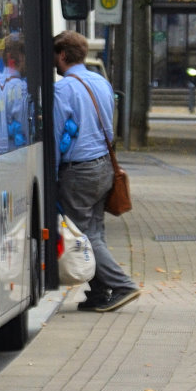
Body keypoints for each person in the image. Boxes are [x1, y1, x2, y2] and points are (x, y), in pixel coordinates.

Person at [52, 30, 140, 313]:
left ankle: (123, 285)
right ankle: (100, 292)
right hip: (104, 166)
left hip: (79, 171)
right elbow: (110, 129)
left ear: (62, 55)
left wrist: (51, 173)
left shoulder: (63, 89)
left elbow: (55, 135)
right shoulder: (101, 82)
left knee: (80, 236)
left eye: (54, 56)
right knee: (94, 232)